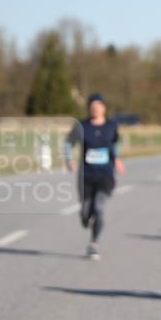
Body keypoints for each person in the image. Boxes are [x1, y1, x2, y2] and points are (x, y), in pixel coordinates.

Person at [65, 94, 125, 260]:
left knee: (99, 208)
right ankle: (85, 218)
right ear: (89, 108)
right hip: (86, 175)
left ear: (104, 108)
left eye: (99, 105)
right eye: (92, 106)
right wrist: (69, 159)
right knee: (85, 212)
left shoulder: (111, 126)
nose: (96, 109)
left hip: (105, 174)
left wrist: (118, 159)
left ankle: (93, 244)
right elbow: (69, 142)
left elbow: (115, 144)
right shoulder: (82, 126)